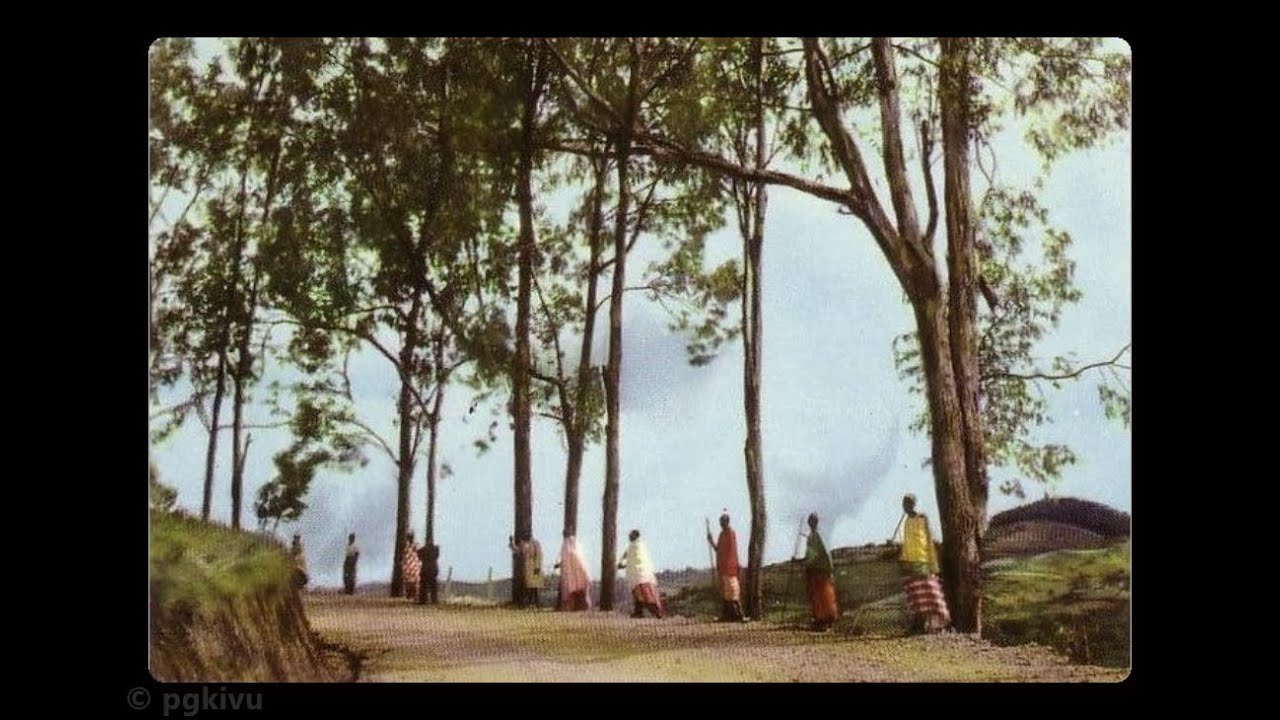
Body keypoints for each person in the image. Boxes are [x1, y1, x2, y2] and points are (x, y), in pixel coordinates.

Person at [892, 494, 951, 634]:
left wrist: (933, 564)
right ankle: (919, 625)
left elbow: (929, 540)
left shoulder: (922, 518)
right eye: (903, 504)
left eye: (907, 504)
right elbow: (907, 543)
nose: (905, 507)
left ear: (913, 504)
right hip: (909, 561)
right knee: (915, 595)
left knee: (930, 594)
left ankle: (939, 624)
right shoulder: (906, 522)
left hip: (922, 560)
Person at [792, 513, 837, 631]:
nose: (811, 523)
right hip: (816, 570)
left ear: (815, 522)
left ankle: (825, 621)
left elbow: (817, 555)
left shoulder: (816, 536)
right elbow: (810, 555)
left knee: (823, 595)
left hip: (820, 570)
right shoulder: (812, 536)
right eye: (810, 521)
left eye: (812, 521)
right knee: (818, 596)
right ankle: (820, 620)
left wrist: (801, 561)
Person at [706, 513, 746, 622]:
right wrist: (711, 541)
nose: (721, 524)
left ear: (727, 522)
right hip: (724, 567)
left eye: (722, 522)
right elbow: (718, 550)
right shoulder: (722, 534)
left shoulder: (730, 533)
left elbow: (731, 551)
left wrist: (734, 565)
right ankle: (727, 616)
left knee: (733, 591)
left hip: (730, 567)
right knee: (727, 592)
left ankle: (739, 615)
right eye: (720, 522)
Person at [618, 529, 664, 619]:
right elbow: (633, 559)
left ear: (635, 536)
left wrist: (622, 564)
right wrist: (623, 563)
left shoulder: (632, 546)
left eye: (630, 536)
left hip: (637, 574)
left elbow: (631, 560)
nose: (629, 537)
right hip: (646, 573)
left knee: (641, 594)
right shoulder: (641, 546)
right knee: (643, 593)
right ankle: (640, 612)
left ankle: (652, 611)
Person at [554, 533, 592, 611]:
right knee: (574, 593)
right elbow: (566, 557)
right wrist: (560, 564)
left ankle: (583, 607)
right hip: (573, 575)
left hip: (577, 575)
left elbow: (570, 556)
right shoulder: (569, 545)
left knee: (580, 592)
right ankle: (576, 607)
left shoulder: (570, 543)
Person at [508, 536, 544, 608]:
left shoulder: (535, 543)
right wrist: (511, 542)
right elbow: (517, 551)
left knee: (535, 587)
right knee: (527, 587)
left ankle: (536, 603)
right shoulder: (522, 544)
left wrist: (537, 566)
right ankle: (528, 603)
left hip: (534, 568)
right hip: (526, 568)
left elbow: (539, 555)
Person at [402, 532, 421, 601]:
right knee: (411, 581)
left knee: (412, 581)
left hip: (412, 564)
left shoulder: (412, 546)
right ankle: (411, 595)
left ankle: (413, 595)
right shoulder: (410, 546)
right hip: (411, 564)